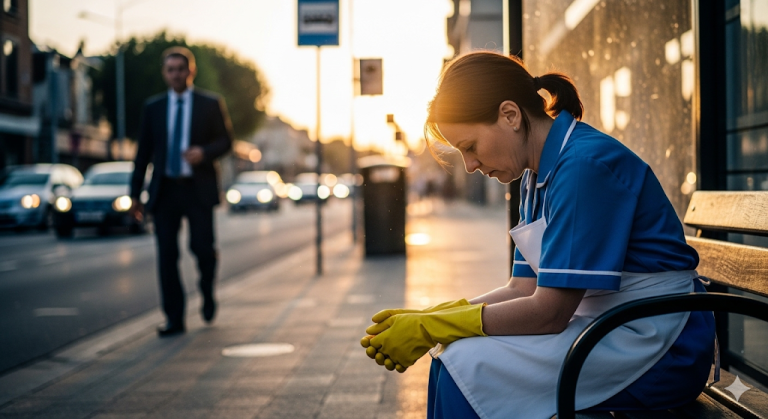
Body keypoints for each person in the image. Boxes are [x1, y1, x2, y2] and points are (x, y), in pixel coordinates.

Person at [360, 51, 715, 418]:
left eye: (470, 147)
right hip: (610, 325)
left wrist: (434, 326)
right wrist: (435, 316)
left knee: (467, 367)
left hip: (661, 343)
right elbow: (522, 289)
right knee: (453, 357)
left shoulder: (582, 167)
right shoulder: (537, 173)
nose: (470, 166)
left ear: (510, 115)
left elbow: (549, 313)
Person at [130, 46, 233, 337]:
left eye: (181, 69)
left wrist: (204, 151)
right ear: (165, 74)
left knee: (202, 249)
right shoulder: (153, 108)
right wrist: (135, 194)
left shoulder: (210, 103)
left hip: (197, 189)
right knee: (167, 256)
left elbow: (226, 141)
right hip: (165, 192)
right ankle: (174, 318)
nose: (176, 74)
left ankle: (207, 290)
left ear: (191, 71)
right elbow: (143, 153)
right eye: (171, 69)